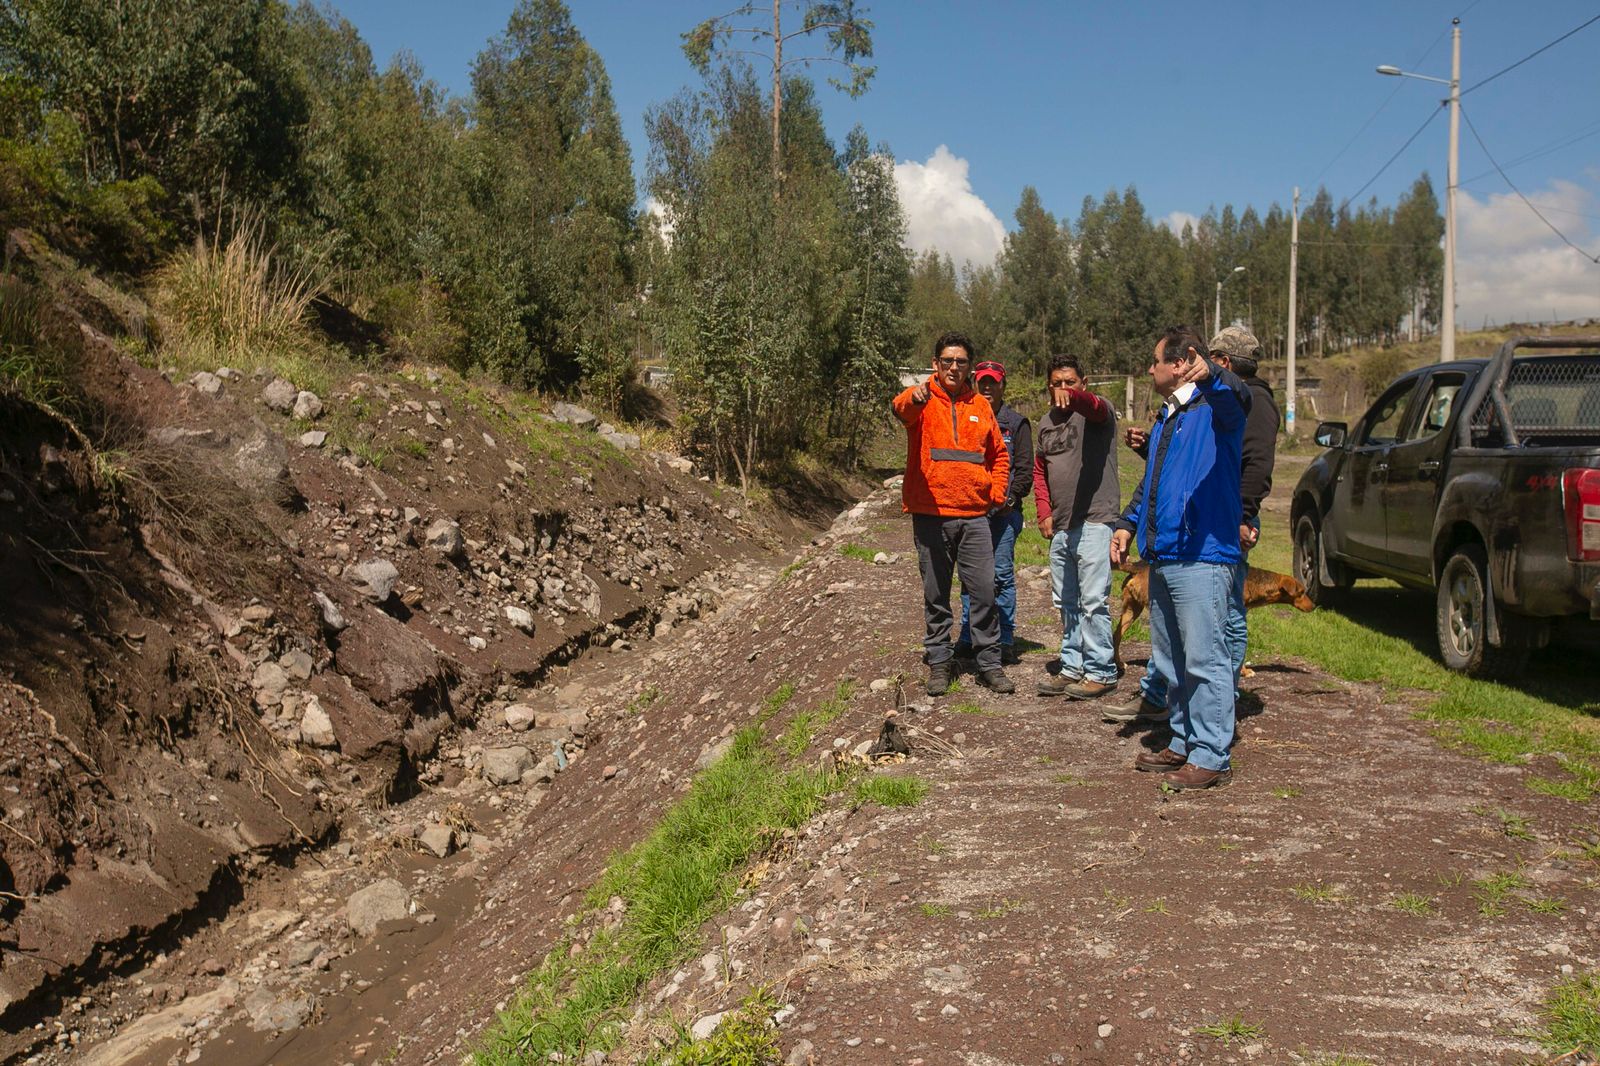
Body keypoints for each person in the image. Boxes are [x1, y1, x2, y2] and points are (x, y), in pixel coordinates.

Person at [1104, 326, 1275, 725]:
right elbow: (1163, 476)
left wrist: (1244, 514)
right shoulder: (1174, 411)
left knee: (1211, 647)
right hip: (1171, 548)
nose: (1150, 370)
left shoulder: (1231, 401)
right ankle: (1182, 735)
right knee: (1175, 654)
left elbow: (1253, 458)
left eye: (1155, 361)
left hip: (1209, 540)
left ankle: (1211, 741)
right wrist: (1129, 521)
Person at [892, 331, 1016, 696]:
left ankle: (989, 663)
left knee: (984, 592)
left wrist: (996, 493)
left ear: (969, 367)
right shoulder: (922, 399)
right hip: (931, 514)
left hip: (975, 516)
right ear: (935, 364)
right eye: (947, 361)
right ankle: (940, 663)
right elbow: (901, 408)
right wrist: (914, 396)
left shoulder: (980, 406)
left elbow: (999, 455)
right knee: (936, 595)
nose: (953, 367)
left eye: (961, 362)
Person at [1032, 353, 1121, 699]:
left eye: (1070, 382)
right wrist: (1043, 510)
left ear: (1084, 383)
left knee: (1094, 600)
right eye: (1057, 383)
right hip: (1062, 524)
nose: (1063, 388)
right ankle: (1072, 665)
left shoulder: (1098, 411)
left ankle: (1101, 670)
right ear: (1048, 386)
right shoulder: (1045, 423)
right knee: (1066, 601)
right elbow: (1040, 469)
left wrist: (1075, 398)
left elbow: (1094, 406)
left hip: (1096, 520)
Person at [956, 359, 1032, 664]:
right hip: (970, 513)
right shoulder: (964, 415)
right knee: (969, 577)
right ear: (976, 383)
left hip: (1003, 516)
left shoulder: (1016, 424)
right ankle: (968, 635)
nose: (987, 387)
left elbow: (1024, 471)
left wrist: (1008, 501)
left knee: (1000, 576)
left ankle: (1005, 637)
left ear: (1003, 385)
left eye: (993, 382)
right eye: (983, 381)